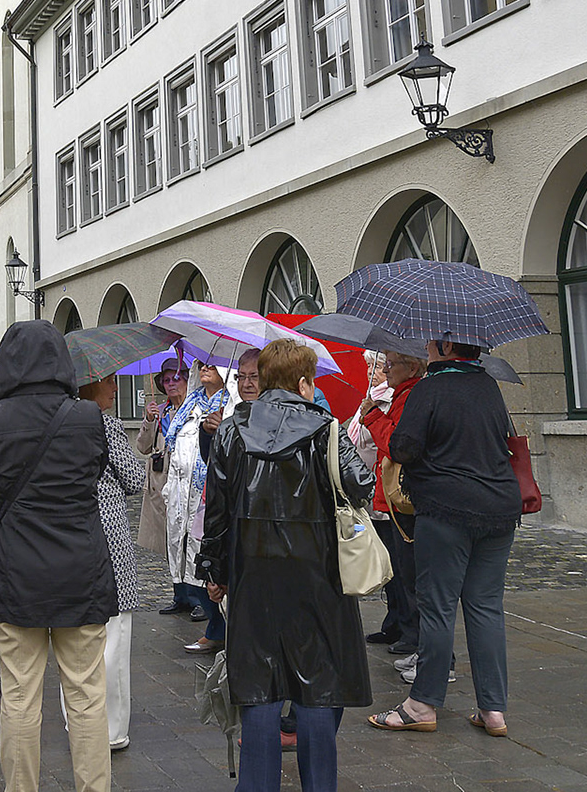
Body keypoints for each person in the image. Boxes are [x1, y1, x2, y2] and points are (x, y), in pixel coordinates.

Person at [199, 338, 373, 792]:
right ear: (302, 382)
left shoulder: (233, 431)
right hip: (318, 576)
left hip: (253, 575)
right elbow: (361, 484)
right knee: (317, 685)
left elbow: (215, 510)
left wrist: (214, 571)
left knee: (258, 685)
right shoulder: (325, 429)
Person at [0, 320, 117, 792]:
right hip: (79, 566)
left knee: (18, 696)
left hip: (15, 572)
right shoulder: (87, 417)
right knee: (88, 696)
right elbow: (94, 476)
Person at [370, 339, 521, 737]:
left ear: (446, 345)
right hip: (500, 508)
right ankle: (493, 709)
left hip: (447, 509)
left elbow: (404, 447)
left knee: (437, 606)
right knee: (486, 607)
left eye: (431, 340)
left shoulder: (429, 388)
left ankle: (421, 704)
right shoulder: (488, 386)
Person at [79, 369, 147, 750]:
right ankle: (110, 729)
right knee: (114, 635)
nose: (115, 387)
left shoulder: (61, 419)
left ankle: (80, 721)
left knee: (78, 634)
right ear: (89, 384)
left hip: (73, 536)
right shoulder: (105, 424)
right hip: (109, 538)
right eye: (107, 380)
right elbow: (135, 478)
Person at [359, 350, 425, 660]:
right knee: (394, 568)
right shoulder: (402, 395)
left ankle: (413, 637)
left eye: (390, 364)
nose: (384, 369)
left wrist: (373, 416)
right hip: (387, 496)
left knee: (407, 572)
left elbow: (397, 444)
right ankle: (398, 625)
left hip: (403, 499)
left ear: (411, 367)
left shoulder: (410, 396)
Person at [169, 358, 231, 654]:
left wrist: (217, 430)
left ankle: (219, 626)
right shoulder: (190, 403)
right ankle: (213, 623)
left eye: (213, 365)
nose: (206, 369)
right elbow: (179, 445)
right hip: (186, 491)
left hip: (212, 492)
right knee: (199, 556)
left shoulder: (230, 404)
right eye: (202, 364)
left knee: (214, 559)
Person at [133, 357, 188, 612]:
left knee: (187, 539)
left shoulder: (191, 409)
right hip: (159, 485)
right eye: (166, 380)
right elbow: (143, 447)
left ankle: (196, 597)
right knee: (169, 542)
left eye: (176, 378)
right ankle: (179, 595)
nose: (170, 384)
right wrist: (148, 419)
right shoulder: (161, 411)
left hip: (183, 483)